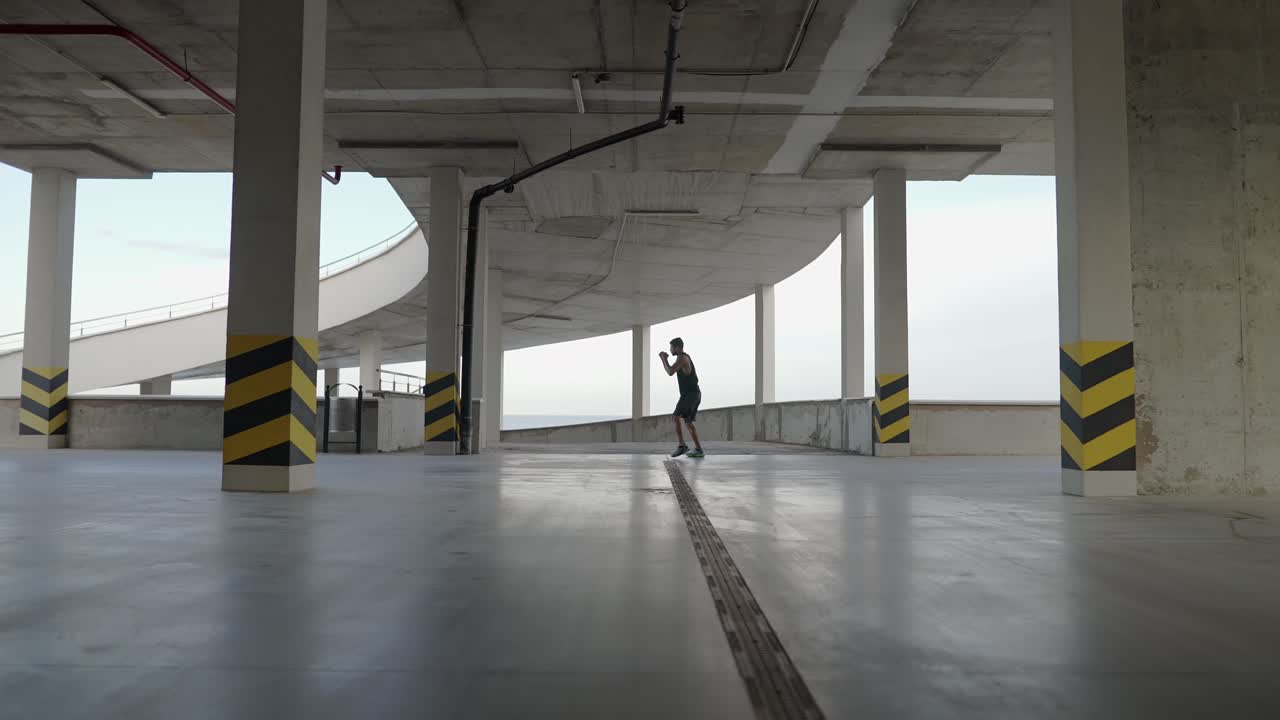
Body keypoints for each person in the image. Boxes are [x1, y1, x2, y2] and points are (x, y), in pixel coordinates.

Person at [660, 337, 704, 458]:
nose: (670, 350)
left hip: (690, 394)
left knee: (675, 417)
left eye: (671, 347)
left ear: (677, 347)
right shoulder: (683, 358)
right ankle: (699, 449)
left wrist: (663, 359)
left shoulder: (682, 358)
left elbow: (670, 371)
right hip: (694, 393)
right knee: (688, 422)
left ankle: (682, 446)